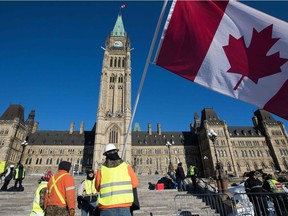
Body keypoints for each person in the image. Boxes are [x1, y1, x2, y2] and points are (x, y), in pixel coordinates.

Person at [95, 143, 138, 216]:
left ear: (106, 155)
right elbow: (135, 183)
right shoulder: (126, 166)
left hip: (106, 207)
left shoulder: (101, 169)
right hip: (124, 206)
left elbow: (97, 187)